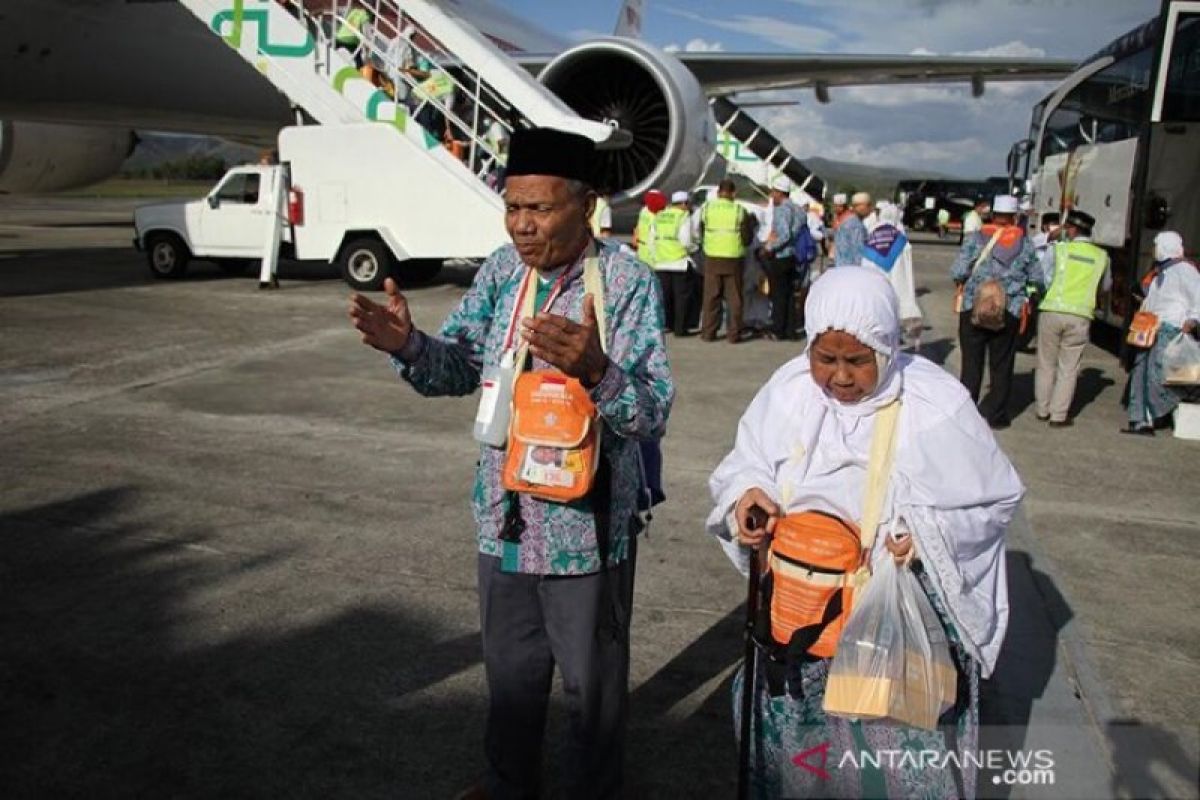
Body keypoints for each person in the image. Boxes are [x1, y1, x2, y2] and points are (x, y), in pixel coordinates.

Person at [348, 127, 674, 799]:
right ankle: (508, 785)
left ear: (585, 206)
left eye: (540, 208)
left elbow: (651, 412)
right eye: (513, 207)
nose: (523, 226)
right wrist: (409, 346)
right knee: (512, 676)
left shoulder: (626, 283)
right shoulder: (503, 272)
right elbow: (459, 369)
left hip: (586, 530)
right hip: (505, 515)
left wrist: (598, 371)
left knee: (593, 689)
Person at [707, 266, 1024, 799]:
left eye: (857, 360)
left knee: (884, 755)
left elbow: (993, 500)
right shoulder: (788, 390)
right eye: (824, 358)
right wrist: (748, 496)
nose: (840, 376)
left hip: (885, 620)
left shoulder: (933, 406)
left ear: (887, 345)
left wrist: (922, 535)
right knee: (802, 758)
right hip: (800, 608)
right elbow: (748, 462)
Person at [950, 194, 1042, 430]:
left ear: (992, 214)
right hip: (1009, 310)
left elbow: (958, 271)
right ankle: (997, 415)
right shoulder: (1025, 243)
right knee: (1002, 365)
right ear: (1014, 217)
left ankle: (966, 413)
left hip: (974, 307)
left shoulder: (975, 239)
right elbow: (1038, 278)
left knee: (971, 364)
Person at [1033, 209, 1112, 427]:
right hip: (1080, 316)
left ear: (1073, 229)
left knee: (1045, 363)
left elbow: (1042, 278)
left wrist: (1040, 296)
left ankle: (1042, 409)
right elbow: (1105, 286)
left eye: (1066, 227)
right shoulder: (1102, 257)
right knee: (1069, 368)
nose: (1063, 231)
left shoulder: (1058, 250)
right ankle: (1059, 416)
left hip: (1051, 310)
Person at [1123, 231, 1200, 435]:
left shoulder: (1185, 270)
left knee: (1157, 375)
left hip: (1168, 329)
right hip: (1150, 328)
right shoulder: (1161, 272)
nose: (1154, 250)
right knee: (1141, 372)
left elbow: (1198, 297)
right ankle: (1139, 419)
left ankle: (1152, 414)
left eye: (1157, 245)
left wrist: (1192, 320)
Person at [699, 178, 756, 343]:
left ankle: (708, 333)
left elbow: (702, 230)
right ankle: (734, 334)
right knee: (735, 299)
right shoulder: (739, 211)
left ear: (718, 193)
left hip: (712, 257)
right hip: (733, 259)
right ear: (733, 193)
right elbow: (747, 238)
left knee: (711, 297)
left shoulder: (707, 209)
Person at [862, 203, 923, 350]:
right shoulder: (901, 241)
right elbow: (905, 273)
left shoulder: (871, 236)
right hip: (893, 289)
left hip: (873, 288)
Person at [758, 176, 804, 341]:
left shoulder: (782, 209)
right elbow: (797, 228)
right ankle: (790, 329)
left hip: (781, 256)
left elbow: (784, 234)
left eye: (773, 192)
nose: (771, 195)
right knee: (789, 294)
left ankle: (778, 329)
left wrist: (769, 247)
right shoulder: (797, 209)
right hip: (791, 255)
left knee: (778, 295)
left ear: (779, 193)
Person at [652, 190, 699, 336]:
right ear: (684, 203)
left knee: (665, 296)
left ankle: (666, 325)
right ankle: (680, 328)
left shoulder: (659, 216)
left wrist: (656, 256)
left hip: (661, 262)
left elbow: (651, 240)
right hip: (679, 262)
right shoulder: (683, 216)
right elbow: (686, 240)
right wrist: (695, 248)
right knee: (681, 297)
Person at [833, 191, 870, 267]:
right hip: (851, 269)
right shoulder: (855, 225)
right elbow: (859, 252)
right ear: (861, 207)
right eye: (868, 205)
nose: (870, 209)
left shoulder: (849, 220)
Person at [632, 189, 666, 268]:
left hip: (644, 249)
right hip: (650, 251)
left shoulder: (644, 210)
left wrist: (635, 237)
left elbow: (638, 226)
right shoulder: (658, 212)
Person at [335, 3, 371, 67]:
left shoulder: (351, 10)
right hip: (351, 42)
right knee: (359, 64)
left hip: (338, 39)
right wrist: (367, 53)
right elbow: (367, 37)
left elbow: (336, 10)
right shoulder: (364, 15)